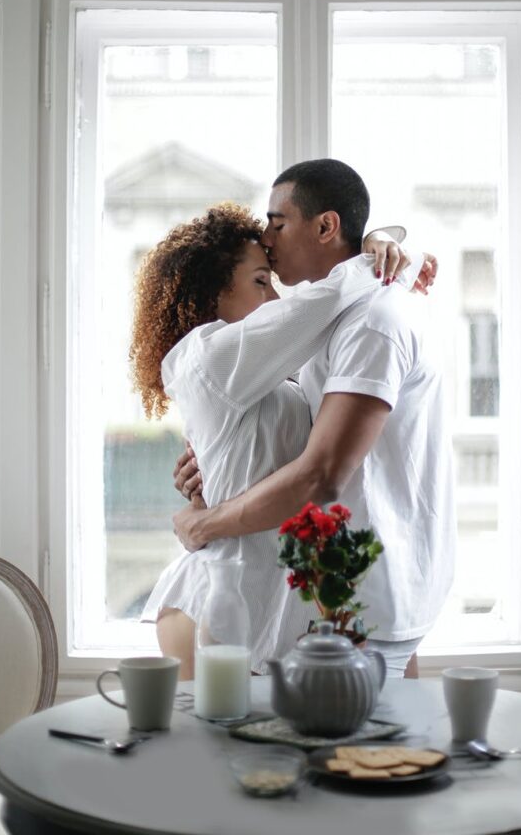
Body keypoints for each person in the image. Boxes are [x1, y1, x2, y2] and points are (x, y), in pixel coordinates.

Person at [171, 160, 456, 679]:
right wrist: (213, 463)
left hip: (364, 601)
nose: (267, 235)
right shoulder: (331, 322)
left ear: (325, 226)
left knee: (361, 759)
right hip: (338, 595)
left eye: (277, 222)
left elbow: (321, 475)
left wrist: (205, 522)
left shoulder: (374, 323)